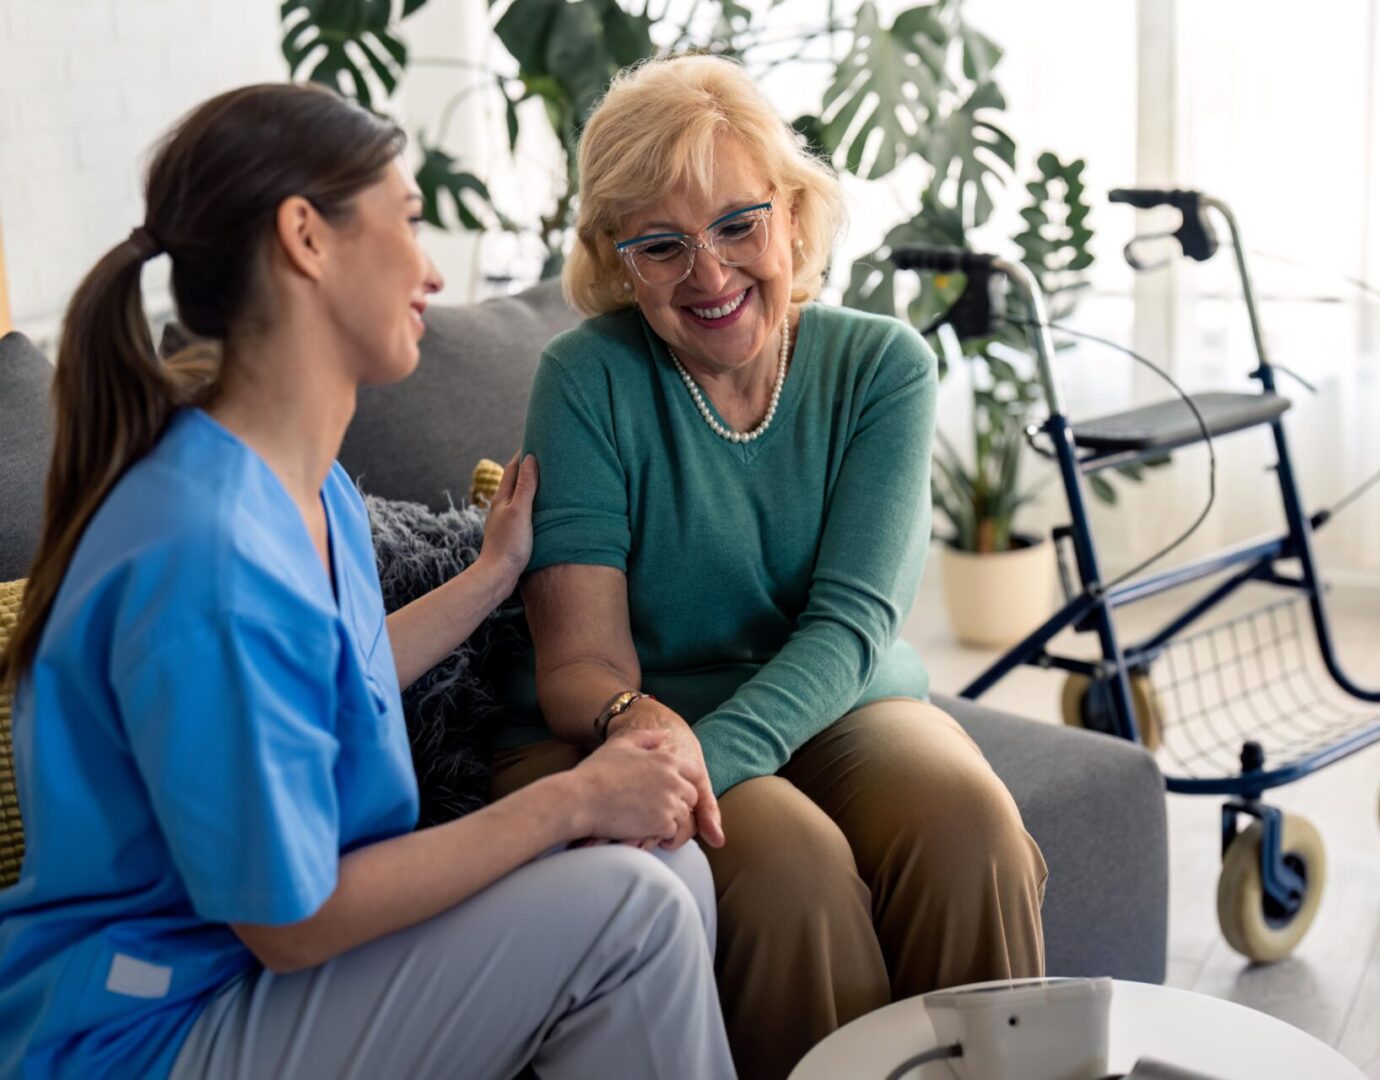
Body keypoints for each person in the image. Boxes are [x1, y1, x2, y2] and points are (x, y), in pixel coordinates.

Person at [0, 83, 734, 1080]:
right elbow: (291, 921)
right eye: (410, 219)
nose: (432, 272)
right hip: (151, 1032)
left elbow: (324, 676)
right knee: (632, 907)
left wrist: (490, 577)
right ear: (306, 235)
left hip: (254, 985)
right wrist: (572, 802)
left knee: (667, 864)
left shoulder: (311, 491)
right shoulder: (198, 547)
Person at [491, 55, 1048, 1079]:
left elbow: (848, 629)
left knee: (974, 828)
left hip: (840, 700)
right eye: (661, 246)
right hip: (640, 716)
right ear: (617, 264)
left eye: (739, 225)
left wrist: (709, 757)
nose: (708, 275)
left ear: (794, 216)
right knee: (792, 875)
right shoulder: (585, 379)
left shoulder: (882, 366)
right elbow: (580, 664)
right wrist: (638, 735)